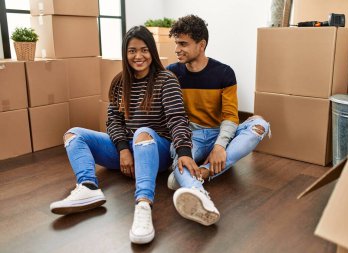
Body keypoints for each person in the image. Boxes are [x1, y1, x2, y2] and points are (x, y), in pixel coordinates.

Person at [50, 25, 198, 244]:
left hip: (156, 151)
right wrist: (123, 150)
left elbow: (178, 119)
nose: (138, 56)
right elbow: (113, 121)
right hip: (127, 149)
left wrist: (184, 152)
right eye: (132, 51)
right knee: (73, 134)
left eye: (144, 50)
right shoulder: (120, 82)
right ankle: (88, 187)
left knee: (143, 132)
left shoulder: (167, 80)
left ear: (152, 52)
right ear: (125, 53)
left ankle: (143, 205)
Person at [166, 15, 271, 226]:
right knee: (181, 158)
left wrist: (220, 146)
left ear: (201, 45)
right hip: (189, 136)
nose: (177, 49)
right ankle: (200, 194)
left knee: (260, 126)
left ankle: (200, 173)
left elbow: (231, 115)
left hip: (218, 132)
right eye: (176, 43)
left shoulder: (224, 73)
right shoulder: (171, 74)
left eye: (183, 44)